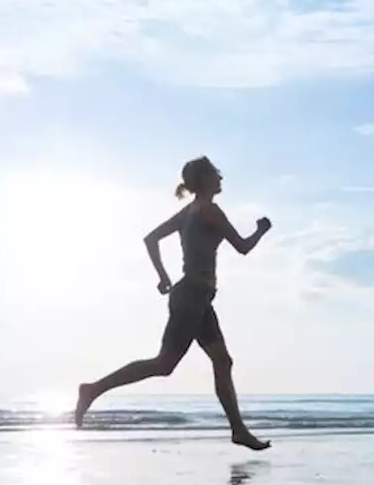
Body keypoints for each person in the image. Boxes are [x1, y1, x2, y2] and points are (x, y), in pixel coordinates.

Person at [74, 156, 272, 451]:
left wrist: (163, 277)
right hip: (192, 296)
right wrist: (261, 230)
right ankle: (92, 389)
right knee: (164, 364)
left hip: (198, 298)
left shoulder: (188, 212)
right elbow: (242, 247)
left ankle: (238, 430)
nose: (221, 179)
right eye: (217, 174)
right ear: (205, 179)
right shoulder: (209, 211)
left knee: (222, 360)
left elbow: (150, 239)